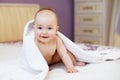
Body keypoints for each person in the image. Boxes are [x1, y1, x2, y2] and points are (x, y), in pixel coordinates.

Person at [33, 8, 86, 73]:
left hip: (51, 60)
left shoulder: (56, 40)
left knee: (67, 52)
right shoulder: (34, 42)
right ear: (34, 28)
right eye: (40, 28)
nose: (44, 32)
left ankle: (74, 62)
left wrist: (70, 67)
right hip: (39, 62)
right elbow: (31, 57)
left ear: (56, 29)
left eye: (49, 28)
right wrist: (42, 67)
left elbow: (64, 54)